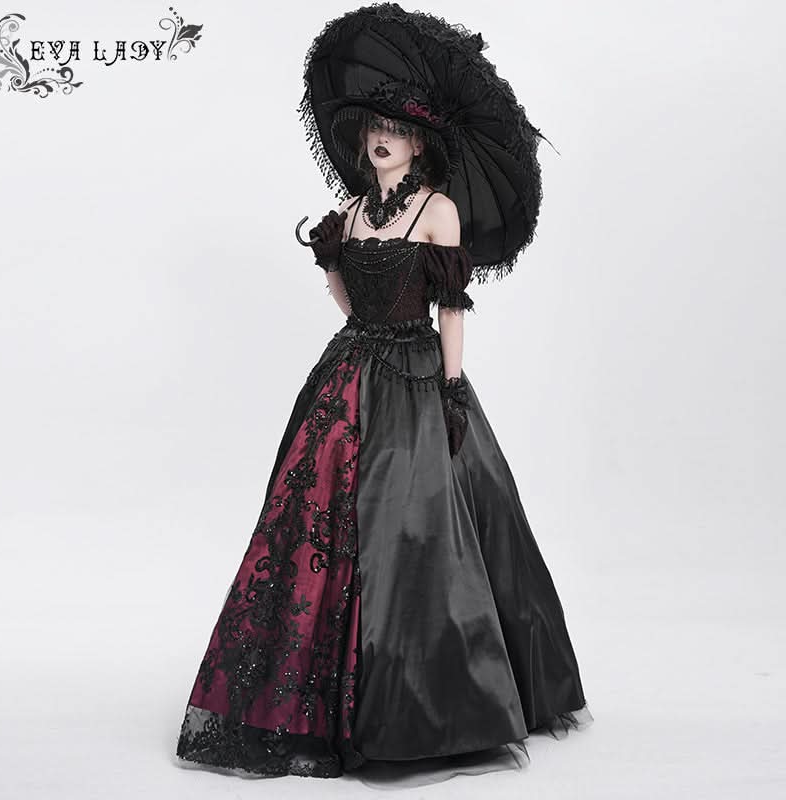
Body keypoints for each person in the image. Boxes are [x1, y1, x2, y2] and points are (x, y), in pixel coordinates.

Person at [174, 108, 593, 780]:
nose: (381, 138)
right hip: (349, 368)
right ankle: (311, 701)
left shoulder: (438, 210)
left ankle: (438, 698)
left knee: (415, 518)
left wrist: (452, 389)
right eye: (373, 129)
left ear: (418, 143)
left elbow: (450, 307)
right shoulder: (349, 211)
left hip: (417, 375)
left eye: (394, 130)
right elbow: (347, 302)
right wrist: (333, 266)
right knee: (310, 516)